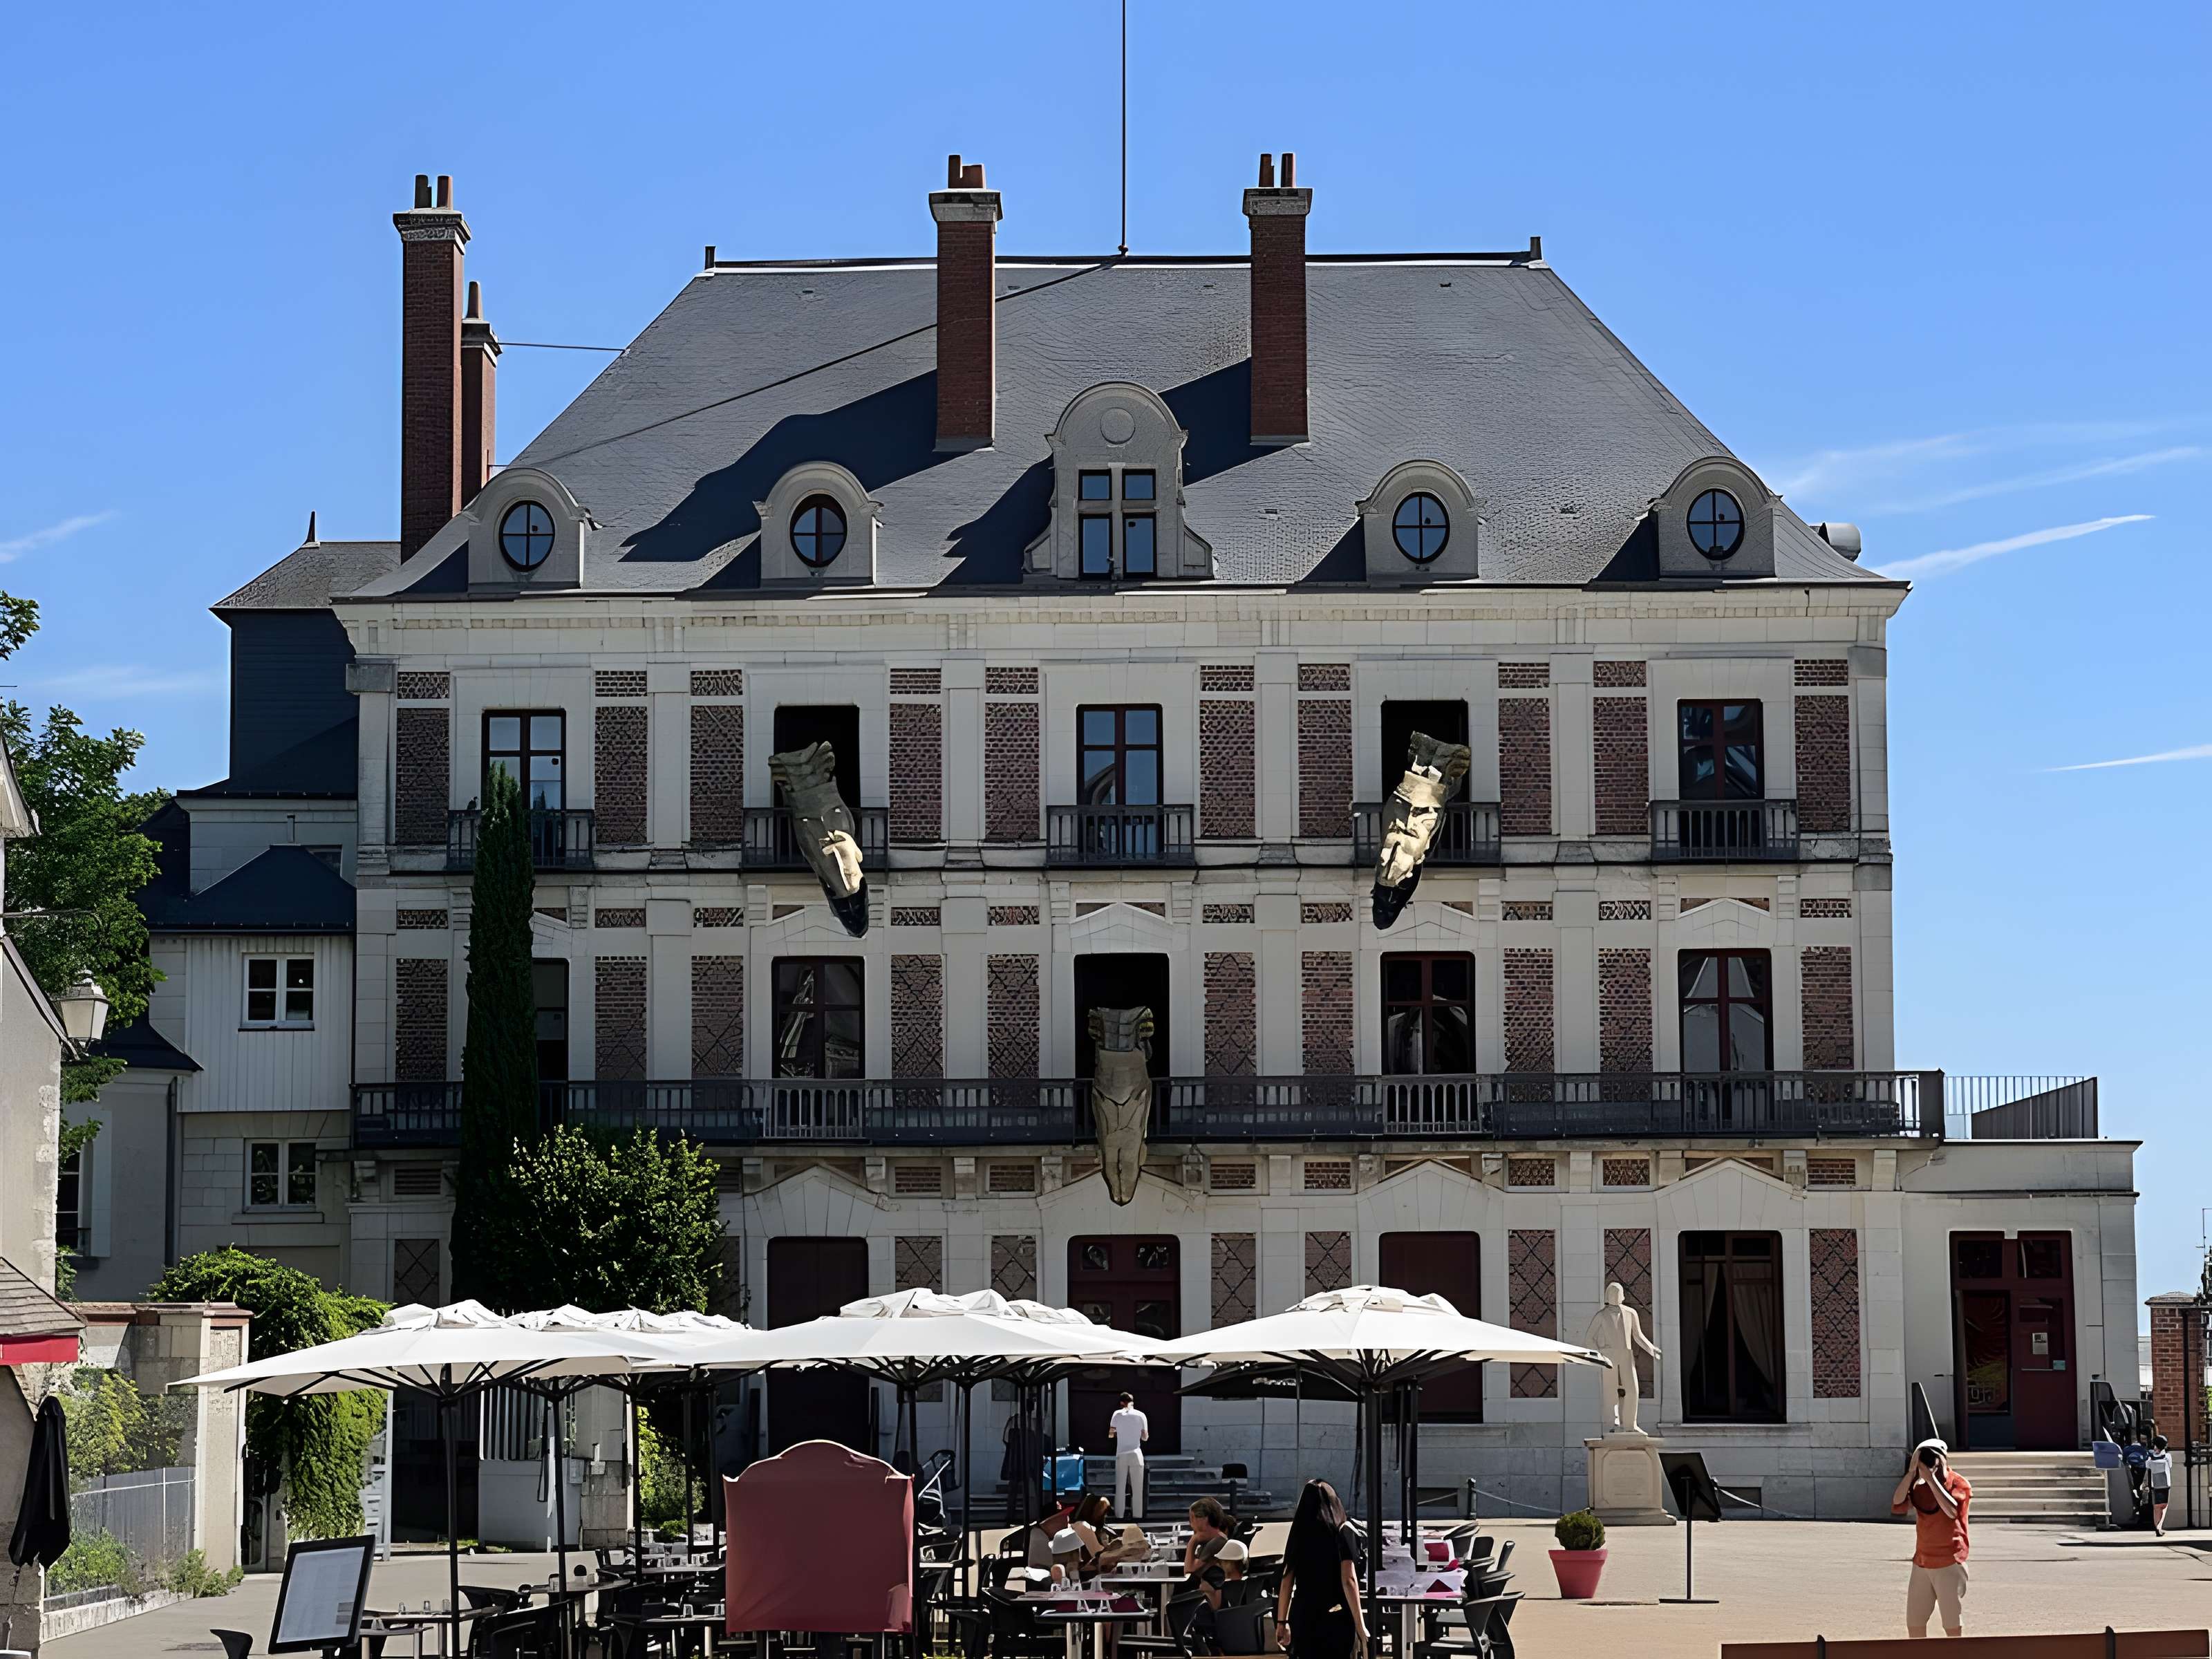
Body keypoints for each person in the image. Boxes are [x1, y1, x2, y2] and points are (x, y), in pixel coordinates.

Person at [1274, 1480, 1368, 1659]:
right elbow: (1349, 1581)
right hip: (1335, 1614)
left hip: (1304, 1614)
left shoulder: (1298, 1536)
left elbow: (1286, 1581)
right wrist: (1360, 1625)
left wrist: (1281, 1622)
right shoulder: (1341, 1534)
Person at [1890, 1436, 1971, 1638]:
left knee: (1952, 1623)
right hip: (1922, 1562)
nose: (1930, 1463)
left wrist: (1932, 1479)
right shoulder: (1918, 1486)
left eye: (1933, 1458)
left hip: (1949, 1562)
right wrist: (1912, 1473)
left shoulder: (1959, 1483)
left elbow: (1952, 1511)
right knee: (1915, 1622)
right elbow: (1897, 1502)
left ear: (1944, 1459)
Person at [1111, 1391, 1150, 1519]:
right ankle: (1137, 1517)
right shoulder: (1141, 1415)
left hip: (1121, 1453)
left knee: (1120, 1488)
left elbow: (1111, 1434)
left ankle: (1119, 1517)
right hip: (1136, 1454)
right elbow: (1145, 1438)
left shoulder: (1116, 1414)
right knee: (1138, 1490)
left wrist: (1121, 1433)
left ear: (1122, 1402)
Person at [2148, 1434, 2173, 1537]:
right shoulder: (2167, 1457)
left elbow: (2148, 1467)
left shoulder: (2151, 1458)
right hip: (2165, 1484)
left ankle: (2157, 1527)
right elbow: (2170, 1466)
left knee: (2157, 1507)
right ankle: (2159, 1527)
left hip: (2155, 1484)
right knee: (2164, 1506)